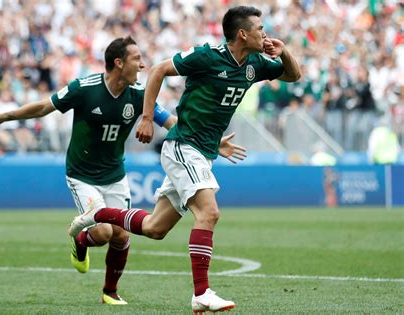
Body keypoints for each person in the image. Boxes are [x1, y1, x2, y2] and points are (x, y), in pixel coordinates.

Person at [0, 36, 245, 306]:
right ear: (118, 62)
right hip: (82, 174)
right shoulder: (85, 87)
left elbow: (168, 120)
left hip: (115, 173)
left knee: (122, 235)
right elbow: (46, 106)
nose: (141, 65)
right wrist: (4, 117)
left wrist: (206, 140)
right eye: (136, 59)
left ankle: (110, 292)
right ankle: (81, 240)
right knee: (103, 233)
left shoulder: (138, 94)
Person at [68, 6, 301, 313]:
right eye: (260, 28)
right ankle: (201, 293)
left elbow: (293, 75)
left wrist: (283, 53)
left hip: (203, 152)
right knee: (209, 212)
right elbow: (158, 70)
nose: (265, 33)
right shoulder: (208, 56)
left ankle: (98, 215)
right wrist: (148, 117)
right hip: (182, 146)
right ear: (242, 33)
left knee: (155, 228)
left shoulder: (255, 64)